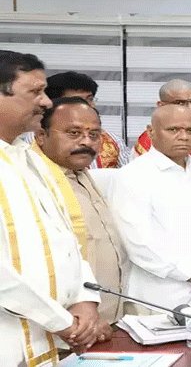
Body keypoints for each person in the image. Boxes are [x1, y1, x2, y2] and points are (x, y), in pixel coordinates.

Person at [0, 50, 102, 365]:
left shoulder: (32, 159)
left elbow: (68, 241)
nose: (46, 102)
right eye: (35, 92)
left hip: (53, 339)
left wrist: (86, 300)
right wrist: (60, 320)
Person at [111, 105, 191, 312]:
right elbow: (137, 242)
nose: (183, 137)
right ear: (151, 132)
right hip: (158, 298)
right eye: (173, 130)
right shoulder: (132, 175)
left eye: (190, 130)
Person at [35, 96, 128, 339]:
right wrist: (75, 321)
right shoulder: (34, 183)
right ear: (41, 135)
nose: (86, 142)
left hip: (108, 323)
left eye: (94, 134)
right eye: (74, 133)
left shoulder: (83, 175)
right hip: (70, 330)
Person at [45, 71, 130, 168]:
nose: (87, 106)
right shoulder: (39, 141)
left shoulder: (112, 141)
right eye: (77, 100)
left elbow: (129, 175)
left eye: (90, 99)